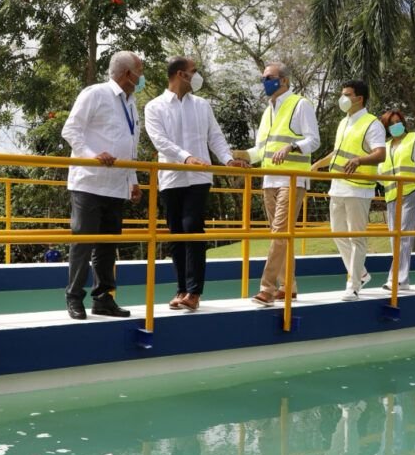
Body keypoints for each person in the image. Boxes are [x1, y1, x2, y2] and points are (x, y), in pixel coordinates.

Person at [145, 56, 246, 312]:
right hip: (171, 178)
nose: (197, 76)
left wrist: (228, 160)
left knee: (192, 227)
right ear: (181, 75)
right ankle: (181, 288)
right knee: (176, 234)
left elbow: (215, 137)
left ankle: (194, 291)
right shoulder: (154, 107)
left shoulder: (202, 105)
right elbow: (160, 141)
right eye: (194, 71)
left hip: (199, 178)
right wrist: (186, 158)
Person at [61, 50, 144, 320]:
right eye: (139, 71)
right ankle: (74, 297)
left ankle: (103, 298)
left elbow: (130, 147)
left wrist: (133, 180)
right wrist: (91, 155)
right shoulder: (95, 94)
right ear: (127, 74)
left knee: (108, 246)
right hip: (89, 182)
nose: (141, 76)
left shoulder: (131, 103)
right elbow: (70, 129)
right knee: (83, 243)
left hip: (116, 185)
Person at [233, 62, 320, 308]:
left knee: (279, 233)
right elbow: (260, 151)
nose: (264, 82)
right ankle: (288, 287)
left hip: (292, 179)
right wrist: (236, 155)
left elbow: (314, 140)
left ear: (284, 81)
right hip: (269, 180)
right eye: (263, 78)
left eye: (268, 77)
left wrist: (292, 146)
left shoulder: (300, 104)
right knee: (281, 237)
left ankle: (267, 288)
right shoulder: (267, 111)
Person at [315, 80, 385, 301]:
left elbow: (380, 153)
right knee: (338, 234)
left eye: (346, 94)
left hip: (358, 189)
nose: (342, 98)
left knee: (356, 238)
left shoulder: (371, 123)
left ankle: (353, 285)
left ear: (359, 99)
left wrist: (359, 160)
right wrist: (317, 164)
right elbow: (337, 153)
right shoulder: (343, 122)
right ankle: (361, 273)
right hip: (338, 186)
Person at [378, 109, 415, 291]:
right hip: (392, 195)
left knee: (403, 237)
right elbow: (380, 173)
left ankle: (398, 279)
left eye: (397, 121)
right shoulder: (384, 146)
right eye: (390, 124)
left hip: (412, 192)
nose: (395, 125)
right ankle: (403, 279)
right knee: (395, 238)